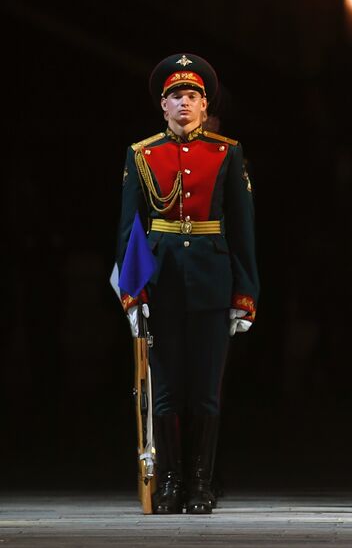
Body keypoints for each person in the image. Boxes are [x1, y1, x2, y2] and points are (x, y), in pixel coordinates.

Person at [115, 53, 259, 514]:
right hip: (162, 282)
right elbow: (129, 228)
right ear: (163, 106)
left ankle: (200, 482)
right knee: (167, 387)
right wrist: (131, 290)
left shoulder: (225, 151)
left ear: (204, 104)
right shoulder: (144, 154)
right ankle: (172, 481)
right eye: (176, 96)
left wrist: (245, 292)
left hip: (212, 279)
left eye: (192, 96)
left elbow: (242, 229)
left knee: (206, 388)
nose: (184, 104)